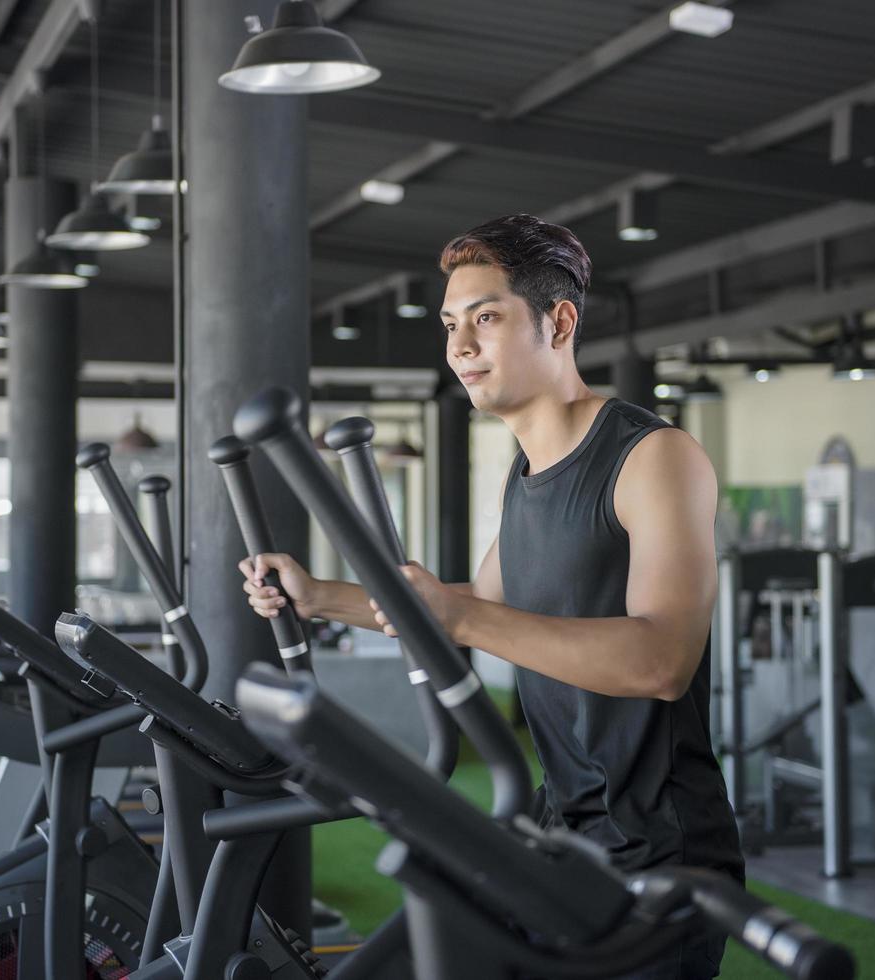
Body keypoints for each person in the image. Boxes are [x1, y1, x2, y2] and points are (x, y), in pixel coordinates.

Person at [239, 213, 742, 979]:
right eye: (450, 324)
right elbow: (475, 604)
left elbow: (662, 660)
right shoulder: (526, 474)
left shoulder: (653, 457)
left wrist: (463, 612)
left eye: (486, 318)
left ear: (560, 321)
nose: (459, 346)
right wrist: (317, 598)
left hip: (655, 847)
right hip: (561, 825)